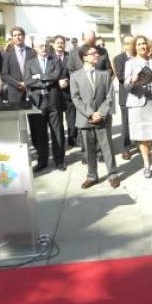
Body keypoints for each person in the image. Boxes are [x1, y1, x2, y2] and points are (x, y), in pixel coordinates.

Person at [70, 44, 119, 189]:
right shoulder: (75, 76)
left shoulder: (104, 74)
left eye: (97, 53)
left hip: (103, 118)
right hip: (86, 119)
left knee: (107, 147)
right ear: (85, 57)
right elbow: (75, 98)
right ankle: (92, 176)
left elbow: (110, 96)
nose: (97, 55)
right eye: (93, 53)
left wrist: (101, 113)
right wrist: (91, 113)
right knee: (89, 150)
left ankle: (113, 175)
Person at [24, 37, 67, 172]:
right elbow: (27, 81)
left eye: (46, 45)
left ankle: (59, 160)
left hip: (54, 100)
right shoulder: (29, 63)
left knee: (57, 132)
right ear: (35, 48)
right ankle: (42, 160)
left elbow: (56, 75)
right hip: (37, 101)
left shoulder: (55, 61)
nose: (44, 48)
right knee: (40, 133)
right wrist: (45, 80)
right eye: (41, 46)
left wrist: (40, 77)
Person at [124, 35, 152, 179]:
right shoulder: (131, 63)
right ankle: (147, 165)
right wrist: (133, 80)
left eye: (144, 44)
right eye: (139, 44)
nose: (142, 46)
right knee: (142, 137)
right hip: (138, 104)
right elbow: (126, 86)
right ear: (135, 47)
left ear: (148, 46)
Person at [113, 35, 135, 160]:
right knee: (126, 123)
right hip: (126, 96)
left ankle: (138, 142)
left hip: (139, 95)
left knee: (136, 122)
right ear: (124, 45)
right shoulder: (119, 59)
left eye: (131, 43)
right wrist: (137, 78)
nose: (129, 45)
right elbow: (121, 77)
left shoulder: (139, 57)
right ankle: (126, 148)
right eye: (127, 43)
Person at [51, 36, 75, 147]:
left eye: (62, 43)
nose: (60, 45)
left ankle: (72, 138)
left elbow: (76, 72)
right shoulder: (49, 57)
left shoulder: (70, 56)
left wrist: (68, 81)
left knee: (71, 118)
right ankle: (60, 141)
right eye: (58, 43)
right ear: (53, 44)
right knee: (58, 120)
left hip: (69, 92)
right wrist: (57, 82)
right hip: (55, 92)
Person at [1, 26, 35, 103]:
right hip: (14, 91)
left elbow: (36, 71)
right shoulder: (7, 54)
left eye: (19, 35)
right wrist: (18, 84)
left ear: (24, 36)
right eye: (15, 35)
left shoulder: (32, 52)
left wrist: (26, 83)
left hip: (31, 90)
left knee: (33, 114)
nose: (18, 37)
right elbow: (4, 74)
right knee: (16, 114)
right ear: (12, 38)